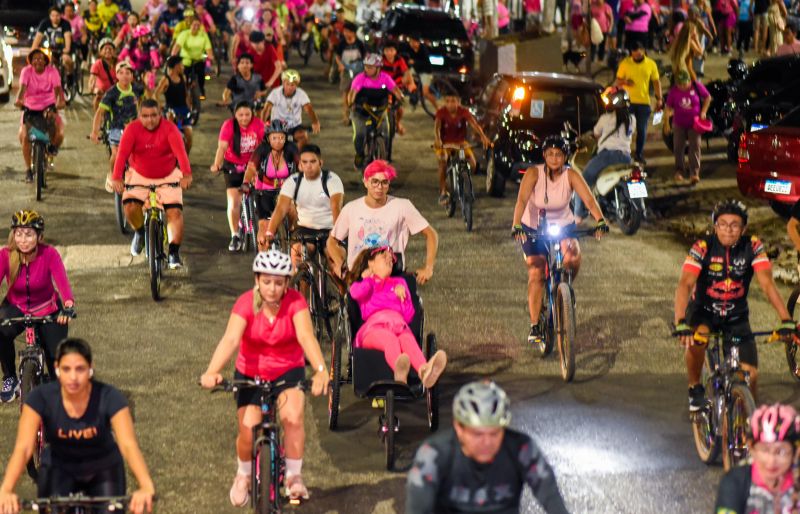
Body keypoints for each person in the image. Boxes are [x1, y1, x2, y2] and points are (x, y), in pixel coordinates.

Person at [200, 250, 329, 505]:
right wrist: (212, 371)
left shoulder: (295, 303)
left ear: (287, 284)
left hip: (288, 370)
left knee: (292, 419)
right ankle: (243, 475)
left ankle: (294, 477)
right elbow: (231, 339)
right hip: (250, 372)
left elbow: (305, 337)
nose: (272, 288)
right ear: (256, 280)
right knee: (247, 431)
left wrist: (321, 370)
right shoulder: (245, 303)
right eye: (266, 281)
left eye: (279, 283)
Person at [0, 339, 155, 514]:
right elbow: (24, 447)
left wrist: (145, 486)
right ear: (57, 368)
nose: (73, 377)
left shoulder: (110, 397)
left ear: (90, 368)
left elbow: (128, 445)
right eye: (66, 369)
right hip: (59, 467)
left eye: (80, 369)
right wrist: (6, 489)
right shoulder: (40, 397)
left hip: (102, 468)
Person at [673, 200, 794, 409]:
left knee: (751, 376)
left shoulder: (753, 246)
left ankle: (746, 424)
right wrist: (680, 322)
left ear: (744, 228)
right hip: (704, 312)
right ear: (715, 226)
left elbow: (767, 284)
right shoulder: (703, 247)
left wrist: (786, 319)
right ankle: (695, 389)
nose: (728, 230)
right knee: (698, 340)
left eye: (735, 225)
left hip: (736, 316)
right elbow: (685, 284)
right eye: (723, 224)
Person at [406, 381, 569, 514]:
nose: (487, 442)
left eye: (494, 434)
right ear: (459, 428)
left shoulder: (521, 448)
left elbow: (549, 494)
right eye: (477, 434)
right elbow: (418, 508)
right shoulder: (433, 455)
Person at [511, 136, 608, 346]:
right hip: (533, 227)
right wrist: (517, 224)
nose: (555, 158)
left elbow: (589, 199)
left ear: (565, 157)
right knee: (536, 272)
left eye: (559, 154)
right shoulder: (533, 173)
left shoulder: (571, 174)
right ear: (544, 155)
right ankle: (536, 324)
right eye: (550, 154)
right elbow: (521, 200)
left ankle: (565, 288)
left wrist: (600, 220)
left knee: (572, 257)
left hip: (562, 224)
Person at [0, 211, 74, 403]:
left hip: (48, 309)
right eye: (19, 234)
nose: (23, 240)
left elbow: (62, 283)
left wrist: (67, 305)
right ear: (13, 235)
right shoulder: (5, 255)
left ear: (39, 236)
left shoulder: (49, 254)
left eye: (29, 234)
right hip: (16, 307)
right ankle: (10, 378)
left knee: (55, 363)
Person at [348, 246, 447, 386]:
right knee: (390, 340)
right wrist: (367, 279)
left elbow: (409, 315)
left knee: (407, 339)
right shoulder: (367, 284)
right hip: (374, 328)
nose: (390, 259)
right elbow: (355, 294)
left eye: (392, 259)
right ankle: (399, 370)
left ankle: (424, 370)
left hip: (399, 325)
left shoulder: (400, 283)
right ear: (371, 263)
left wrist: (404, 298)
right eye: (384, 257)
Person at [111, 99, 193, 268]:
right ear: (139, 116)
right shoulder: (132, 129)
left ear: (160, 114)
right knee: (130, 207)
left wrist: (186, 174)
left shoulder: (170, 129)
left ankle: (173, 252)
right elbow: (122, 154)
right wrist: (117, 177)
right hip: (139, 175)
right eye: (145, 116)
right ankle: (140, 232)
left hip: (167, 175)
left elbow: (181, 153)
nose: (150, 120)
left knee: (174, 213)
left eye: (154, 115)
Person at [328, 160, 438, 283]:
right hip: (359, 277)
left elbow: (431, 234)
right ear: (365, 182)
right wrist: (341, 266)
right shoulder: (351, 208)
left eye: (384, 182)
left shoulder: (402, 206)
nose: (379, 187)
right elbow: (332, 241)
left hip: (391, 275)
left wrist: (428, 268)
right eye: (375, 181)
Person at [263, 145, 344, 266]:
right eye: (305, 162)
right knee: (298, 258)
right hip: (305, 228)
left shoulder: (332, 180)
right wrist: (270, 232)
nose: (309, 166)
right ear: (300, 165)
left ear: (320, 163)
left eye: (313, 162)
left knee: (336, 265)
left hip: (330, 228)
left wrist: (338, 234)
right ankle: (302, 280)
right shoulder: (293, 181)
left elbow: (336, 206)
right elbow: (281, 208)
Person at [715, 403, 800, 512]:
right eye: (764, 450)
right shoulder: (735, 481)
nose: (771, 461)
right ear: (752, 449)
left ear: (795, 453)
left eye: (781, 452)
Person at [574, 86, 635, 223]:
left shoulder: (605, 118)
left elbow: (595, 134)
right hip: (626, 157)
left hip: (608, 156)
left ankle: (578, 214)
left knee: (582, 180)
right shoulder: (632, 119)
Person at [211, 101, 266, 252]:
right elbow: (222, 147)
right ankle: (235, 235)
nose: (244, 118)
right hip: (233, 167)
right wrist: (217, 164)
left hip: (253, 165)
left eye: (247, 114)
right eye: (240, 115)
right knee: (234, 202)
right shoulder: (228, 126)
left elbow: (266, 144)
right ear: (235, 115)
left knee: (263, 197)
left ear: (252, 114)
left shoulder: (259, 125)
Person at [15, 48, 66, 182]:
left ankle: (51, 149)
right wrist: (19, 101)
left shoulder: (52, 71)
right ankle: (28, 170)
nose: (38, 60)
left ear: (45, 61)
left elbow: (58, 90)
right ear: (31, 61)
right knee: (24, 136)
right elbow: (22, 90)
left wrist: (58, 103)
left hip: (49, 106)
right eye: (35, 58)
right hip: (30, 107)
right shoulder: (27, 71)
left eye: (40, 58)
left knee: (59, 133)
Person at [90, 61, 143, 191]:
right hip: (115, 128)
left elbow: (142, 105)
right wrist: (95, 132)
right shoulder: (111, 93)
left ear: (132, 76)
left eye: (128, 73)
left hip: (133, 127)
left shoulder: (137, 89)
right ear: (117, 75)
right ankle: (113, 175)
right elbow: (99, 113)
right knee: (116, 154)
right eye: (121, 72)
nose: (125, 75)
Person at [246, 120, 298, 247]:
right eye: (274, 137)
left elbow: (302, 165)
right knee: (264, 228)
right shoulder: (262, 149)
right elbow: (251, 168)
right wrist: (246, 182)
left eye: (281, 137)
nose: (278, 141)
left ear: (286, 138)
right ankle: (263, 259)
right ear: (268, 138)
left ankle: (292, 232)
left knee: (292, 209)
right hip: (264, 192)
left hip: (285, 191)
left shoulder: (291, 148)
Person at [348, 53, 403, 171]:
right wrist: (351, 104)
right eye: (366, 66)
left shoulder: (385, 78)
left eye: (371, 67)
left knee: (387, 134)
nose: (367, 69)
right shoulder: (360, 78)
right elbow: (352, 93)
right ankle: (360, 154)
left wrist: (401, 100)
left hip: (380, 111)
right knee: (360, 134)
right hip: (361, 111)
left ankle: (384, 156)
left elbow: (396, 91)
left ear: (378, 68)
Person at [433, 93, 490, 206]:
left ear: (458, 102)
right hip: (444, 144)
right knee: (443, 161)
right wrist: (438, 139)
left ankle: (464, 182)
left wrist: (483, 137)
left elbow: (474, 125)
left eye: (453, 101)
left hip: (461, 144)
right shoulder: (441, 112)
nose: (450, 104)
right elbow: (437, 128)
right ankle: (443, 191)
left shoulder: (463, 112)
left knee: (473, 165)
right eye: (448, 101)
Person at [615, 41, 662, 163]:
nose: (636, 56)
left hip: (644, 102)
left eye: (638, 54)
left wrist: (659, 98)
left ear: (643, 51)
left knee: (642, 130)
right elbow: (618, 81)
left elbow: (656, 82)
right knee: (626, 130)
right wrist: (625, 82)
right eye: (634, 54)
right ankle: (625, 154)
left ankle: (639, 154)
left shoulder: (651, 64)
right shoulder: (625, 63)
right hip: (627, 103)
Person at [664, 70, 711, 184]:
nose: (683, 86)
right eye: (680, 84)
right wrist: (666, 124)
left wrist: (703, 111)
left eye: (685, 84)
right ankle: (679, 171)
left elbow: (707, 97)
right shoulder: (673, 92)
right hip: (679, 123)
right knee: (678, 148)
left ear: (690, 81)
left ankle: (694, 173)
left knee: (695, 146)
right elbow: (668, 108)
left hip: (694, 123)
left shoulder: (697, 87)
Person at [264, 69, 321, 140]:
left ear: (296, 85)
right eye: (287, 84)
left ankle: (299, 151)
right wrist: (262, 123)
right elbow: (267, 108)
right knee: (275, 139)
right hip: (277, 126)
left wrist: (315, 122)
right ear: (283, 83)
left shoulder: (301, 94)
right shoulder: (275, 93)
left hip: (295, 126)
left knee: (303, 136)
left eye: (292, 85)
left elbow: (308, 108)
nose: (289, 87)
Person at [154, 55, 194, 153]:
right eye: (181, 65)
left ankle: (184, 159)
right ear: (176, 66)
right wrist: (160, 107)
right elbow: (156, 95)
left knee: (189, 137)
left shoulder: (183, 77)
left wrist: (189, 106)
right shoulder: (166, 79)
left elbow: (185, 93)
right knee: (173, 137)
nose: (183, 67)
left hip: (184, 111)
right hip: (171, 112)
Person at [172, 16, 214, 100]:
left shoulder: (203, 35)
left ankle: (201, 90)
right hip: (186, 60)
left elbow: (208, 48)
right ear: (190, 25)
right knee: (184, 77)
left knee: (201, 75)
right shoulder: (184, 34)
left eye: (198, 25)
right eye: (194, 25)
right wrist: (173, 55)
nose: (196, 27)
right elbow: (177, 46)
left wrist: (210, 55)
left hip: (199, 59)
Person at [334, 21, 366, 125]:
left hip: (358, 72)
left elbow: (365, 57)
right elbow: (337, 57)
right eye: (345, 31)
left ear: (353, 33)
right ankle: (345, 116)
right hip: (346, 71)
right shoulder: (342, 44)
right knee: (345, 94)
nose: (346, 34)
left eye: (348, 31)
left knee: (357, 94)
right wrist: (340, 65)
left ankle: (356, 115)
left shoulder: (359, 44)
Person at [381, 42, 414, 135]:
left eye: (391, 50)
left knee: (399, 109)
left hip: (397, 87)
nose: (389, 53)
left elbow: (407, 72)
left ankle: (398, 123)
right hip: (383, 86)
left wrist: (410, 83)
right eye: (386, 50)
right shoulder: (380, 60)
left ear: (395, 51)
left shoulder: (400, 60)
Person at [118, 24, 162, 94]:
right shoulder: (131, 44)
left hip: (146, 69)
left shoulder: (150, 45)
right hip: (132, 70)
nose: (148, 38)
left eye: (148, 36)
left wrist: (156, 66)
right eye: (145, 36)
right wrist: (119, 64)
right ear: (139, 37)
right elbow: (121, 55)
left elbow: (155, 57)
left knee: (150, 80)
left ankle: (151, 100)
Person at [32, 7, 74, 77]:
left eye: (57, 15)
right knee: (45, 61)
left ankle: (70, 76)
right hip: (51, 49)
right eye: (53, 16)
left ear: (61, 15)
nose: (55, 18)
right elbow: (38, 37)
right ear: (50, 16)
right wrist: (33, 50)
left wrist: (66, 49)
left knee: (66, 60)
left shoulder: (65, 24)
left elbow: (67, 38)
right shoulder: (45, 23)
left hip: (63, 49)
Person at [406, 35, 438, 111]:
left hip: (425, 71)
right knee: (404, 76)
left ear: (418, 42)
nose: (412, 44)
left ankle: (437, 108)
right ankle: (413, 95)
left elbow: (426, 63)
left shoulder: (423, 49)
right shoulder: (410, 49)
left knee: (426, 93)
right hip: (416, 69)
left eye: (414, 42)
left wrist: (415, 62)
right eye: (411, 42)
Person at [88, 38, 117, 113]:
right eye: (105, 49)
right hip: (102, 93)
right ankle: (98, 120)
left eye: (110, 49)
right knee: (98, 98)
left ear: (114, 51)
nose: (108, 51)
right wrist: (95, 90)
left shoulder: (118, 63)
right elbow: (91, 82)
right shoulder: (97, 64)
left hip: (116, 91)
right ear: (100, 52)